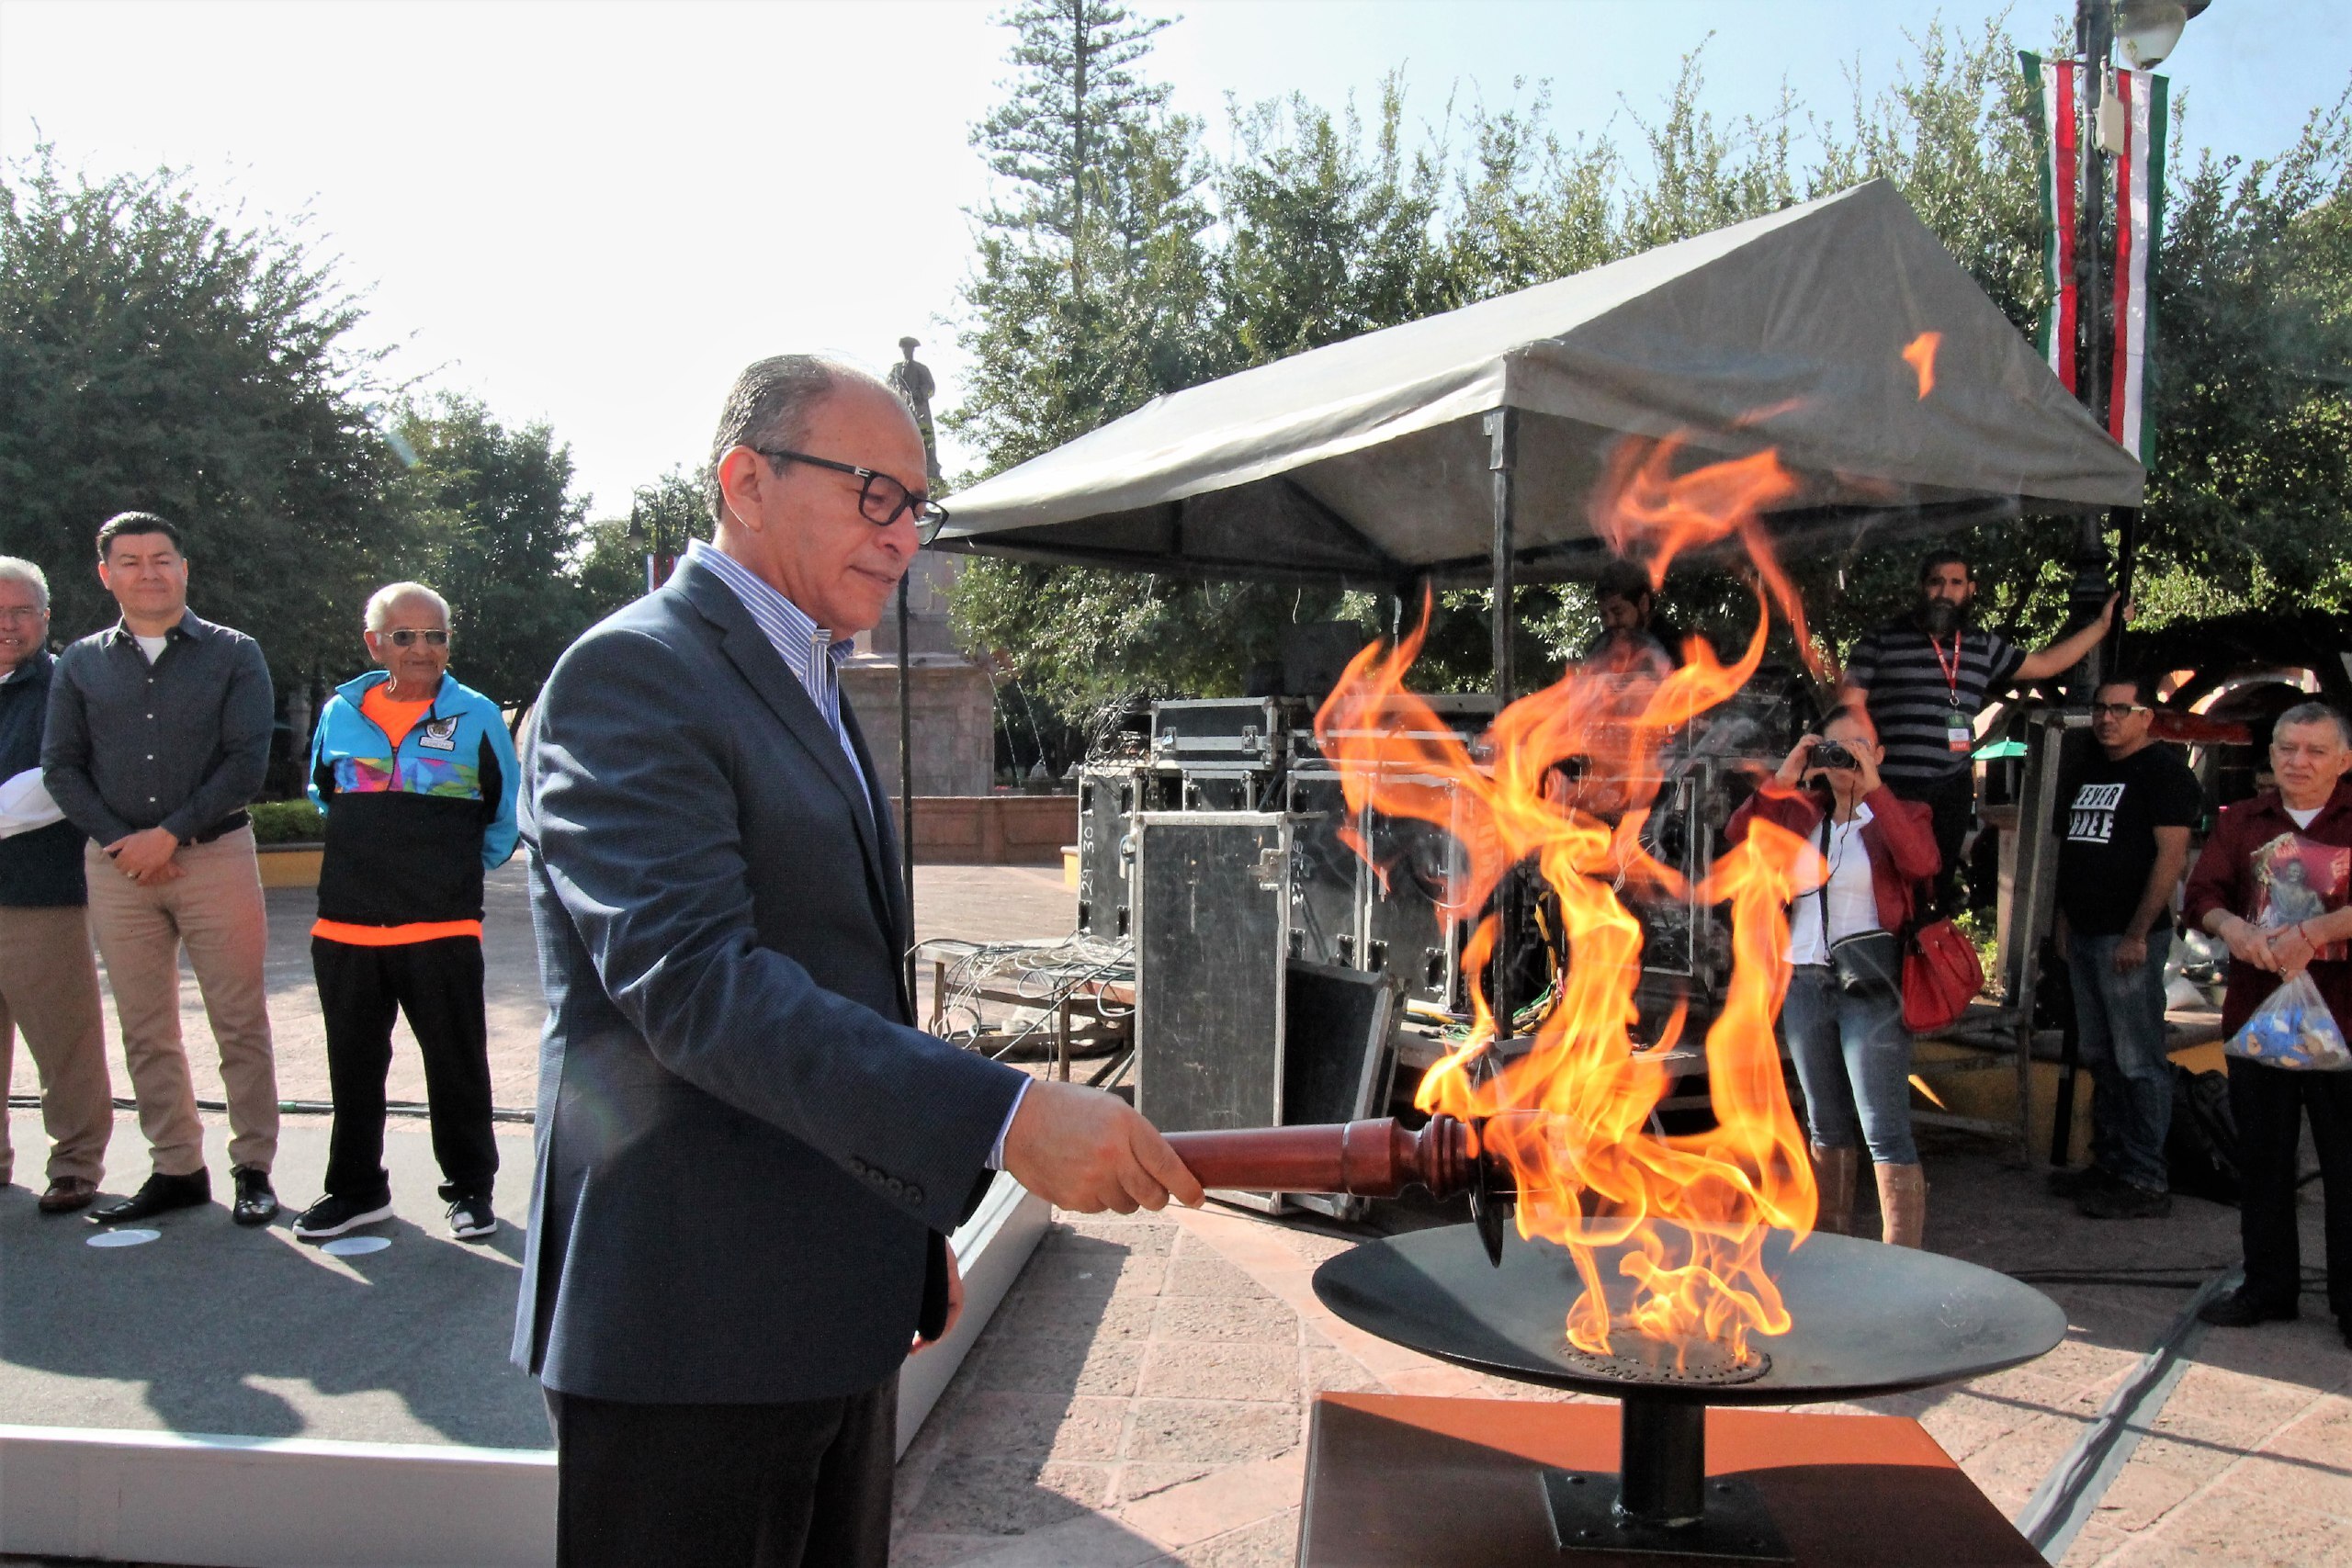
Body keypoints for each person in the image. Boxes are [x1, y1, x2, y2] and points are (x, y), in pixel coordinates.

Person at [515, 355, 1205, 1568]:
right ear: (746, 481)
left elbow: (840, 980)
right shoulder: (634, 673)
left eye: (917, 505)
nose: (902, 535)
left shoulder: (807, 673)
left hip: (825, 1304)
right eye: (872, 492)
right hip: (689, 1330)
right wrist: (1001, 1116)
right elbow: (698, 988)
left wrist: (897, 1219)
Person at [42, 512, 279, 1227]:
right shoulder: (80, 663)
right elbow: (61, 766)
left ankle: (254, 1166)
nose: (148, 572)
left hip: (214, 857)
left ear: (184, 568)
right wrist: (124, 842)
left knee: (238, 1018)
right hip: (118, 868)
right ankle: (176, 1166)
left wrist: (169, 835)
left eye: (161, 558)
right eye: (130, 560)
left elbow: (246, 762)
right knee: (145, 1027)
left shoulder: (235, 653)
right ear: (105, 573)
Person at [290, 583, 519, 1244]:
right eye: (405, 636)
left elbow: (503, 816)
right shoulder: (340, 712)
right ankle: (357, 1190)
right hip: (345, 925)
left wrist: (446, 875)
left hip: (441, 926)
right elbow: (325, 793)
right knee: (353, 1068)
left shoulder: (477, 715)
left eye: (436, 635)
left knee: (456, 1065)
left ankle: (470, 1190)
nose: (422, 648)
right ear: (375, 644)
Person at [1729, 707, 1940, 1245]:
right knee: (1824, 1121)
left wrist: (1874, 791)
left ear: (1880, 754)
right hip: (1805, 981)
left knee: (1883, 1127)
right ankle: (1833, 1245)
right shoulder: (1803, 815)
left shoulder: (1903, 813)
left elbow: (1921, 863)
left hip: (1872, 985)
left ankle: (1901, 1260)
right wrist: (1786, 776)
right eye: (1834, 748)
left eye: (1859, 746)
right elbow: (1739, 836)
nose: (1845, 758)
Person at [2183, 701, 2352, 1347]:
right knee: (2263, 1160)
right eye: (2286, 748)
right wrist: (2235, 929)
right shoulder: (2242, 820)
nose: (2297, 762)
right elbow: (2203, 897)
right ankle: (2268, 1286)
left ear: (2344, 760)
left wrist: (2318, 931)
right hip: (2260, 1017)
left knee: (2346, 1166)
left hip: (2344, 1017)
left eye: (2315, 750)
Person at [1841, 549, 2123, 906]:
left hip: (1952, 786)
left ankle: (1929, 939)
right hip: (1893, 786)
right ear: (1922, 587)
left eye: (1956, 582)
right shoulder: (1881, 640)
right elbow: (1851, 705)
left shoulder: (1981, 646)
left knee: (1935, 890)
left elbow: (2046, 664)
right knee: (1886, 884)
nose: (1945, 592)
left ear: (1970, 589)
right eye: (1936, 582)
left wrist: (2101, 627)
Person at [2048, 674, 2201, 1220]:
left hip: (2129, 937)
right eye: (2100, 709)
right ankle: (2111, 1164)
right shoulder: (2090, 768)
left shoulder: (2164, 772)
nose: (2106, 718)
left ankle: (2145, 1177)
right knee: (2101, 1055)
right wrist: (2064, 920)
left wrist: (2138, 933)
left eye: (2120, 709)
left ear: (2146, 717)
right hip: (2085, 933)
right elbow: (2072, 852)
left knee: (2138, 1058)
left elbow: (2171, 858)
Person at [0, 558, 113, 1214]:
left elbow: (52, 782)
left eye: (21, 611)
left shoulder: (68, 683)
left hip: (41, 893)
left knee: (64, 1042)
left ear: (45, 617)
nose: (8, 624)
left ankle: (74, 1162)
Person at [1581, 558, 1679, 677]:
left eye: (1618, 612)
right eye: (1604, 615)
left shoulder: (1678, 649)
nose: (1610, 622)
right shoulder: (1602, 648)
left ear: (1643, 603)